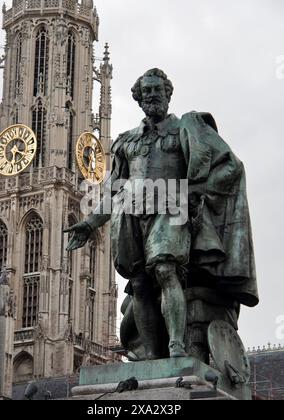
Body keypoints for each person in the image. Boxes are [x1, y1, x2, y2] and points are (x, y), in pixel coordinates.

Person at [65, 69, 258, 361]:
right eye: (147, 92)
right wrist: (91, 223)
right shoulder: (126, 141)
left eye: (158, 90)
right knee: (140, 283)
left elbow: (231, 166)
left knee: (167, 270)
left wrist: (194, 191)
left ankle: (177, 346)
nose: (153, 96)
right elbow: (114, 190)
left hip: (171, 206)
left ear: (168, 94)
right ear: (139, 100)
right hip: (130, 214)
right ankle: (152, 356)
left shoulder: (186, 129)